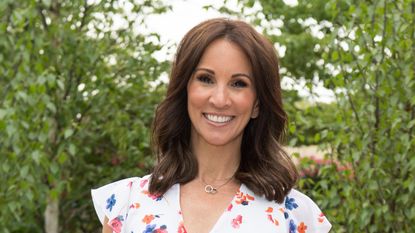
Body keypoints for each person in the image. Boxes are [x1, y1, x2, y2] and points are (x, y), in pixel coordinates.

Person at [91, 18, 332, 233]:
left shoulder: (296, 217)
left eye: (238, 83)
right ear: (185, 90)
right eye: (206, 79)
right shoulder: (125, 205)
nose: (219, 99)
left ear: (257, 103)